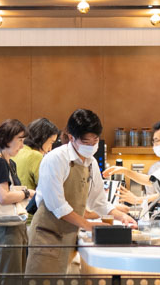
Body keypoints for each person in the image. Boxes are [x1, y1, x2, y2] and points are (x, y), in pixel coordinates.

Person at [25, 109, 133, 275]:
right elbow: (58, 206)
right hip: (47, 238)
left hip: (70, 237)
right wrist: (89, 226)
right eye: (85, 142)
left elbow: (98, 202)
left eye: (94, 141)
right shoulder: (55, 159)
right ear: (71, 137)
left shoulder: (91, 162)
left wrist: (122, 217)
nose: (91, 146)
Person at [0, 120, 32, 274]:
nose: (22, 145)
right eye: (20, 140)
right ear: (7, 139)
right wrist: (27, 193)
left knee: (17, 282)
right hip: (6, 231)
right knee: (9, 284)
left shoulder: (10, 163)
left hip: (15, 227)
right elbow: (3, 197)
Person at [18, 118, 59, 214]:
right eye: (51, 142)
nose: (50, 148)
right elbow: (48, 189)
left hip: (15, 214)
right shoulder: (36, 156)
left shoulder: (18, 151)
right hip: (30, 216)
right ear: (42, 138)